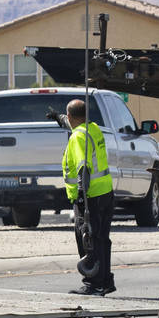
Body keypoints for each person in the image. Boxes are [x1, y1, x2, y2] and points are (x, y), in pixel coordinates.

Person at [58, 98, 116, 296]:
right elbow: (76, 122)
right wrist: (60, 119)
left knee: (88, 239)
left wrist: (82, 196)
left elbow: (84, 167)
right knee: (101, 239)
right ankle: (106, 281)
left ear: (70, 117)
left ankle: (93, 283)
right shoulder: (93, 128)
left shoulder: (77, 138)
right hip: (106, 193)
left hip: (90, 196)